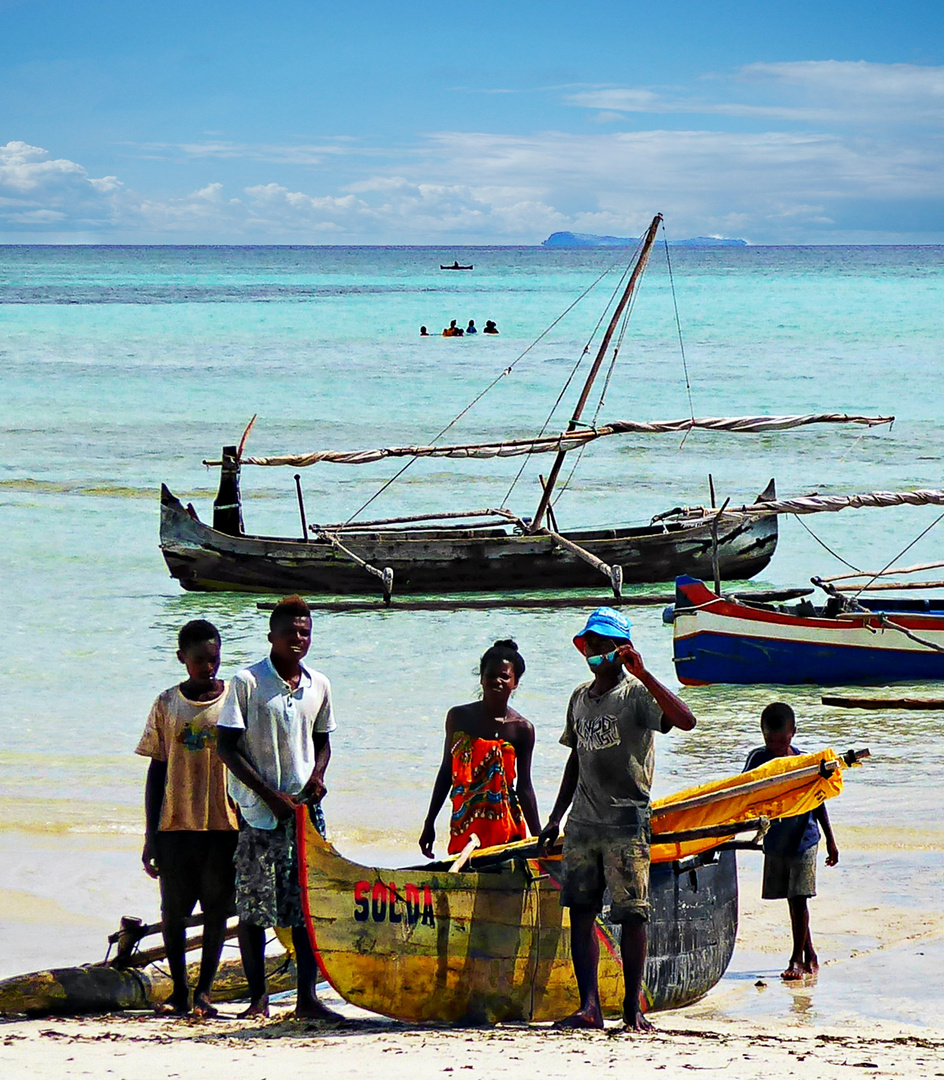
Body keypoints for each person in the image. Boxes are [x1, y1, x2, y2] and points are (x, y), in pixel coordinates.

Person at [538, 608, 696, 1031]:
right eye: (592, 644)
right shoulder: (579, 698)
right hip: (583, 824)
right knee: (583, 912)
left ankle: (632, 1007)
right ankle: (589, 1006)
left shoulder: (636, 695)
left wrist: (645, 675)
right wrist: (555, 817)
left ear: (622, 650)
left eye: (606, 645)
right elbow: (576, 760)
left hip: (627, 822)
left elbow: (686, 721)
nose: (596, 651)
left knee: (632, 915)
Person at [216, 595, 337, 1019]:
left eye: (305, 632)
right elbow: (226, 747)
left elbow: (322, 738)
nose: (298, 639)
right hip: (259, 814)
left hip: (304, 813)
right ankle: (258, 1000)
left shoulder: (317, 684)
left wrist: (318, 776)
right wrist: (269, 796)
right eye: (291, 632)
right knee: (254, 909)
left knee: (305, 908)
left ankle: (308, 999)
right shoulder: (247, 681)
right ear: (272, 636)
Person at [136, 619, 238, 1018]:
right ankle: (179, 990)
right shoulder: (167, 704)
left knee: (216, 910)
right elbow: (156, 769)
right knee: (173, 911)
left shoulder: (234, 700)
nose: (208, 668)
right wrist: (151, 833)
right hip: (176, 825)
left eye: (213, 659)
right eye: (199, 661)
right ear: (182, 659)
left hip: (222, 825)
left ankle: (206, 992)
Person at [744, 702, 839, 981]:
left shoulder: (804, 763)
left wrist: (832, 841)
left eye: (781, 741)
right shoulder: (757, 761)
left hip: (804, 838)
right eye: (769, 741)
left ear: (793, 733)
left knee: (799, 898)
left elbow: (818, 803)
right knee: (791, 898)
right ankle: (810, 953)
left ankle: (796, 959)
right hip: (776, 839)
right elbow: (741, 795)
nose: (775, 747)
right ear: (762, 735)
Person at [419, 640, 540, 858]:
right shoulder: (459, 718)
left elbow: (524, 787)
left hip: (505, 825)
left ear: (516, 683)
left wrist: (539, 838)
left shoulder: (522, 729)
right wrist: (429, 823)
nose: (497, 681)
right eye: (491, 674)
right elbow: (447, 772)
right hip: (464, 823)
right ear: (481, 678)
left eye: (505, 676)